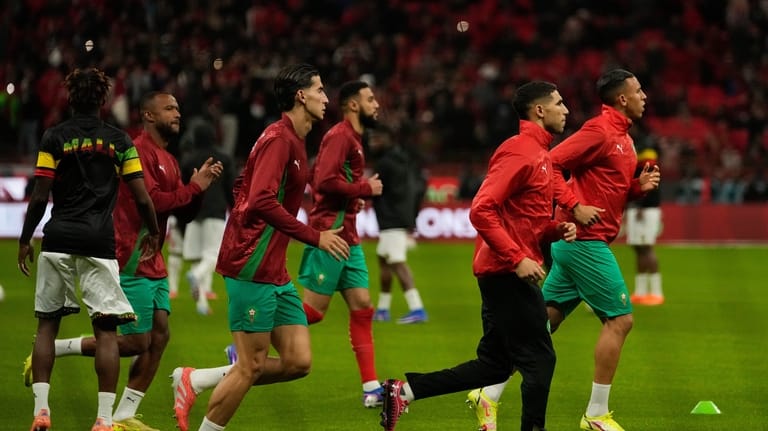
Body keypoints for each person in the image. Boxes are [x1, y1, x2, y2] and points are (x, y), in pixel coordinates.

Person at [469, 69, 661, 431]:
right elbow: (552, 162)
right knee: (620, 320)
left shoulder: (624, 139)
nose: (644, 96)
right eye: (639, 90)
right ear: (622, 99)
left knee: (539, 327)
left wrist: (637, 188)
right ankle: (596, 414)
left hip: (584, 242)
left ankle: (488, 393)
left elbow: (608, 189)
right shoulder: (599, 131)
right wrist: (573, 205)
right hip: (582, 241)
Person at [379, 81, 576, 431]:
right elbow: (481, 209)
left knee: (496, 365)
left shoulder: (541, 155)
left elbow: (523, 220)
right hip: (507, 271)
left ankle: (404, 392)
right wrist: (517, 258)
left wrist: (554, 230)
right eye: (559, 103)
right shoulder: (520, 152)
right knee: (539, 360)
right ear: (539, 110)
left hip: (505, 269)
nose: (566, 110)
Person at [26, 91, 224, 431]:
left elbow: (180, 210)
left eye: (178, 107)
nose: (177, 113)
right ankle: (54, 349)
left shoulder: (169, 159)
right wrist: (192, 189)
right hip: (130, 255)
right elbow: (155, 201)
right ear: (148, 115)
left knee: (160, 337)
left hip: (153, 258)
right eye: (168, 108)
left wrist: (197, 189)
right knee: (135, 342)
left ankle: (121, 417)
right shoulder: (137, 151)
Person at [171, 63, 350, 431]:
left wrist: (241, 217)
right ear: (301, 96)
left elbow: (243, 186)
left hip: (273, 269)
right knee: (251, 366)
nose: (326, 98)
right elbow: (261, 200)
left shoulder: (291, 140)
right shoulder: (280, 140)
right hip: (250, 266)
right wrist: (314, 236)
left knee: (298, 361)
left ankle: (196, 380)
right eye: (320, 90)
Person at [17, 67, 161, 431]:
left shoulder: (54, 137)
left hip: (58, 237)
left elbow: (39, 196)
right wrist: (155, 231)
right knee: (107, 332)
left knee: (47, 326)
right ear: (103, 100)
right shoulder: (120, 141)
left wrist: (25, 239)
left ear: (70, 99)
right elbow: (142, 196)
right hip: (99, 241)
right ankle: (103, 420)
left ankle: (42, 412)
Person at [291, 80, 384, 407]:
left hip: (349, 236)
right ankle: (250, 339)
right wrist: (363, 189)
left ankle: (371, 388)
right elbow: (324, 181)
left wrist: (355, 197)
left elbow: (337, 183)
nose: (376, 104)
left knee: (362, 306)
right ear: (353, 105)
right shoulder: (340, 136)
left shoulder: (355, 138)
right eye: (370, 99)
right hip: (329, 234)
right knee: (314, 312)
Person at [368, 126, 428, 324]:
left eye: (377, 138)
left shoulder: (385, 164)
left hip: (391, 219)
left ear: (387, 140)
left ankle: (417, 308)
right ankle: (383, 309)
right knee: (384, 259)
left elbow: (373, 189)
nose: (372, 142)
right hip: (397, 218)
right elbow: (417, 188)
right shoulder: (403, 160)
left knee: (396, 262)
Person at [181, 121, 236, 315]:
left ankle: (202, 304)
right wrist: (235, 209)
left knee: (198, 257)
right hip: (215, 210)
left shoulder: (188, 160)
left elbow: (182, 188)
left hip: (194, 211)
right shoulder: (223, 158)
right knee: (212, 255)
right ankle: (196, 276)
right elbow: (231, 188)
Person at [626, 138, 663, 305]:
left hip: (646, 211)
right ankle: (641, 291)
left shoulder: (646, 164)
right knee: (638, 248)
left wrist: (641, 205)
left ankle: (656, 292)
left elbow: (649, 189)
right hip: (637, 210)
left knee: (647, 248)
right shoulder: (641, 165)